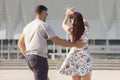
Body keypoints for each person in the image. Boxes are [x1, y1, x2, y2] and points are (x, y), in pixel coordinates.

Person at [18, 5, 85, 80]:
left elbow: (20, 44)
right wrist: (73, 44)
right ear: (42, 12)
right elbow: (56, 40)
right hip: (39, 58)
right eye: (46, 13)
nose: (47, 15)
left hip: (30, 59)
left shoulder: (27, 26)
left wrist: (28, 56)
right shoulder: (44, 25)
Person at [59, 8, 93, 80]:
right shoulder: (86, 29)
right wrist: (75, 14)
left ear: (72, 21)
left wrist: (68, 15)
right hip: (85, 56)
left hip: (74, 56)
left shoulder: (71, 31)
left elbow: (63, 24)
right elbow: (85, 21)